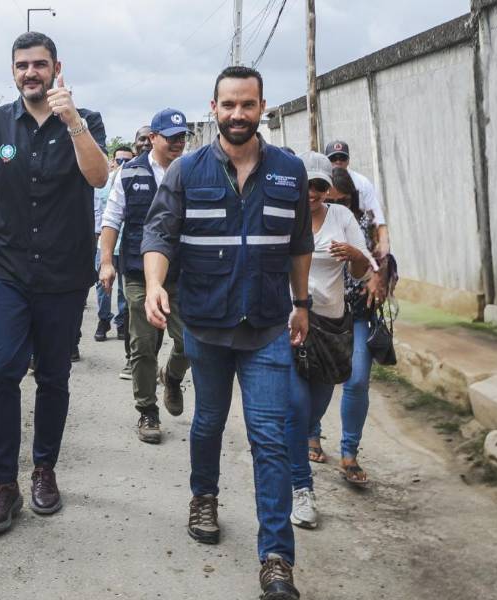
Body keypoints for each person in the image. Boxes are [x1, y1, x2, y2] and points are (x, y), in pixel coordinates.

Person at [142, 66, 311, 599]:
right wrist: (153, 286)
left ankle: (277, 558)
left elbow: (300, 243)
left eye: (248, 104)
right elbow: (159, 234)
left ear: (263, 107)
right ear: (212, 108)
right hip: (206, 326)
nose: (238, 114)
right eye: (229, 105)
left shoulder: (289, 171)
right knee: (208, 423)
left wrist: (302, 303)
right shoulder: (187, 171)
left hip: (267, 329)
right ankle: (204, 497)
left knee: (270, 439)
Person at [0, 31, 108, 533]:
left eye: (39, 64)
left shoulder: (85, 122)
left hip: (64, 275)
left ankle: (45, 469)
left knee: (53, 376)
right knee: (0, 370)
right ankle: (5, 483)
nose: (30, 73)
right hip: (6, 270)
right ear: (13, 70)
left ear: (56, 67)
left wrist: (74, 123)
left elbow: (98, 178)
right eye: (22, 65)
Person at [284, 152, 374, 530]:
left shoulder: (342, 218)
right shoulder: (282, 215)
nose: (312, 192)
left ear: (328, 188)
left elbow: (361, 266)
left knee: (316, 405)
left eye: (320, 185)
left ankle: (294, 441)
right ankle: (301, 488)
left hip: (330, 326)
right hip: (288, 322)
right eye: (306, 184)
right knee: (297, 406)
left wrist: (354, 254)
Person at [99, 108, 190, 444]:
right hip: (138, 272)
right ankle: (147, 410)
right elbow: (112, 219)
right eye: (171, 137)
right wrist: (106, 262)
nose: (178, 143)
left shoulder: (191, 172)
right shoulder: (128, 173)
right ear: (153, 138)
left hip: (181, 274)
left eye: (182, 137)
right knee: (143, 343)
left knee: (190, 342)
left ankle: (173, 376)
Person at [307, 166, 385, 484]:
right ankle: (311, 435)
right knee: (315, 376)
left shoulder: (364, 225)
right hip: (324, 317)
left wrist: (373, 272)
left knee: (356, 382)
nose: (335, 203)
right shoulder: (309, 216)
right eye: (331, 197)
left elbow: (381, 265)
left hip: (360, 314)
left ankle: (349, 454)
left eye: (342, 198)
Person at [93, 146, 133, 344]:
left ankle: (122, 322)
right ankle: (103, 320)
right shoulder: (103, 183)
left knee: (123, 289)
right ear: (112, 161)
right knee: (103, 287)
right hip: (105, 244)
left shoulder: (133, 181)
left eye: (128, 161)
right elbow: (98, 212)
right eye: (119, 161)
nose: (123, 165)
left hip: (127, 243)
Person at [324, 140, 390, 260]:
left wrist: (383, 241)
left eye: (342, 158)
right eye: (333, 158)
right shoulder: (321, 182)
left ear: (348, 160)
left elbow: (375, 214)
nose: (338, 161)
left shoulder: (362, 182)